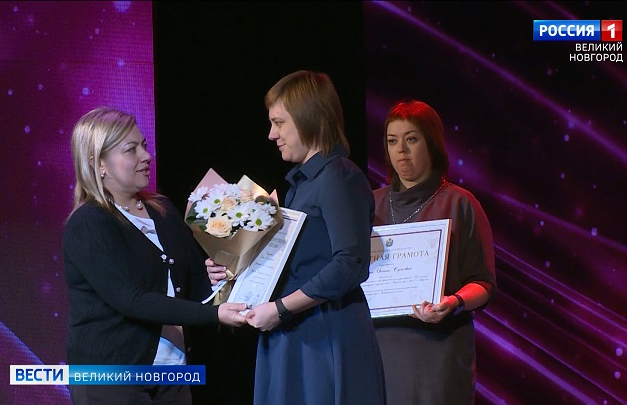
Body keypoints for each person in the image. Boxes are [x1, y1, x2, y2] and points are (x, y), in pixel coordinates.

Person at [206, 70, 386, 405]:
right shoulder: (301, 185)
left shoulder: (339, 177)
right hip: (293, 331)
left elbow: (350, 264)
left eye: (279, 123)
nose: (271, 134)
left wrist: (281, 309)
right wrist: (232, 270)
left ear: (310, 118)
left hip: (325, 333)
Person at [62, 107, 248, 405]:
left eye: (144, 146)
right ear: (98, 163)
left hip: (172, 375)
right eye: (131, 149)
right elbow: (132, 299)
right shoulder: (89, 223)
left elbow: (192, 286)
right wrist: (214, 315)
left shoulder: (162, 210)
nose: (146, 156)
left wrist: (216, 278)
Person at [372, 99, 497, 404]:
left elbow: (483, 284)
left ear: (432, 143)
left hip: (437, 353)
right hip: (378, 351)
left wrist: (453, 302)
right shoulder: (370, 204)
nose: (401, 150)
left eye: (411, 139)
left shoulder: (460, 203)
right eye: (392, 141)